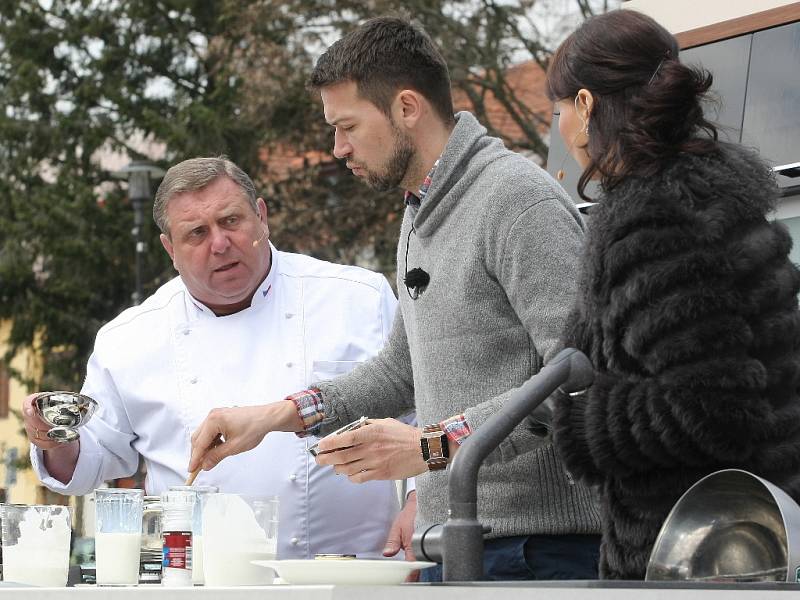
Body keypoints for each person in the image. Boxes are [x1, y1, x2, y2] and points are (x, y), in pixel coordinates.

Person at [189, 17, 601, 581]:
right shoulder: (419, 215)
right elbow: (400, 371)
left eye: (347, 126)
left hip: (539, 553)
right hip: (458, 546)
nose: (337, 148)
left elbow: (579, 378)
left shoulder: (517, 201)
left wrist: (432, 446)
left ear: (406, 108)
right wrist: (277, 415)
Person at [22, 156, 411, 559]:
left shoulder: (358, 297)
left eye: (231, 221)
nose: (220, 244)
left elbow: (426, 408)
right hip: (201, 580)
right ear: (170, 248)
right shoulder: (128, 339)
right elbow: (90, 463)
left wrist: (420, 502)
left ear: (261, 217)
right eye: (196, 233)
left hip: (354, 573)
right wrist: (50, 435)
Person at [545, 9, 800, 580]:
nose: (560, 127)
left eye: (559, 110)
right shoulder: (714, 197)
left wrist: (580, 420)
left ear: (586, 107)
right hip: (754, 540)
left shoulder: (655, 219)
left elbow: (712, 405)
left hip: (695, 554)